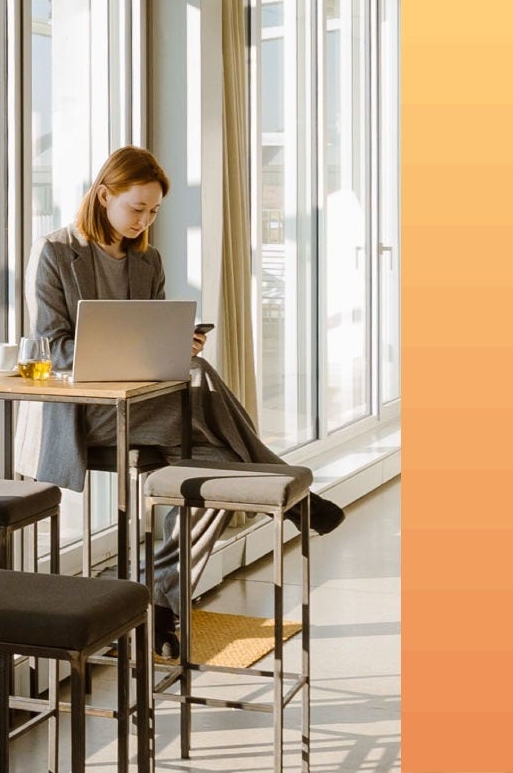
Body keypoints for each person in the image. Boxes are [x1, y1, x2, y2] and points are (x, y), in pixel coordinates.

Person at [31, 145, 345, 655]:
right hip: (90, 412)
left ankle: (159, 599)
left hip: (152, 406)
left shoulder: (147, 260)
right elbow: (52, 347)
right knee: (201, 377)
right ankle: (292, 489)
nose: (144, 221)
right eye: (137, 208)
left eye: (153, 212)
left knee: (225, 470)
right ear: (104, 194)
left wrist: (175, 344)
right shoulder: (55, 252)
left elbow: (150, 341)